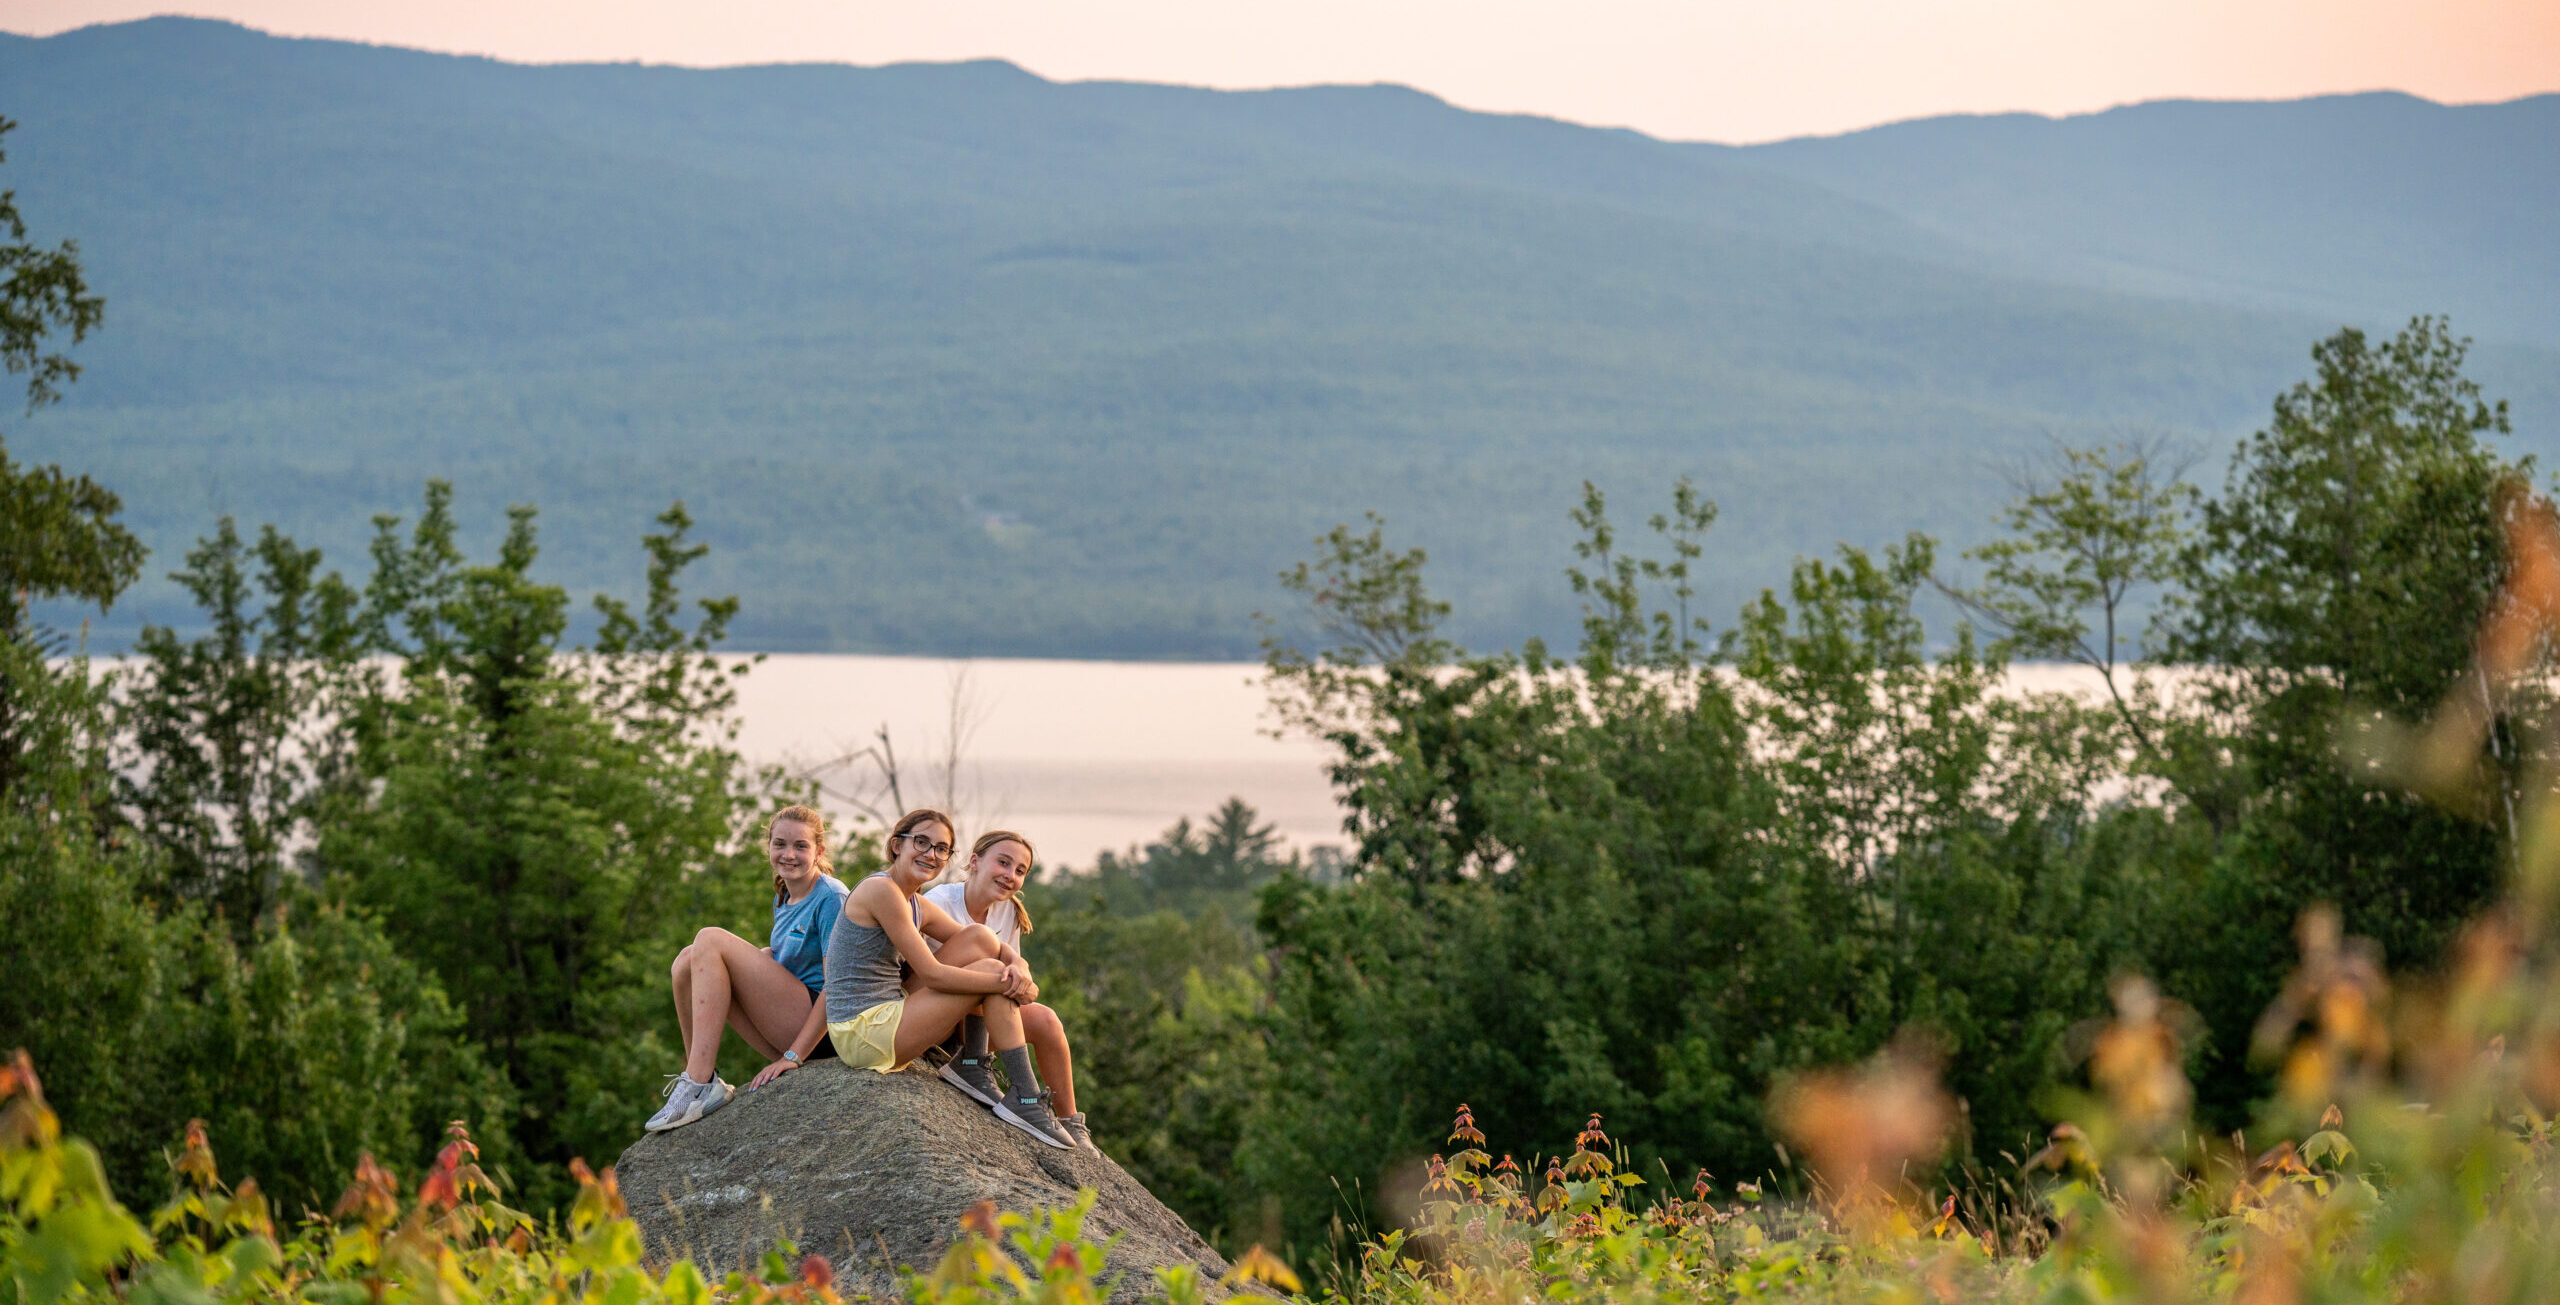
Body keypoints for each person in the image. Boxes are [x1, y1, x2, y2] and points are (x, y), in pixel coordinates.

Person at [818, 808, 1074, 1149]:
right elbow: (932, 975)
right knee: (991, 973)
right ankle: (1025, 1097)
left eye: (941, 848)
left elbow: (989, 945)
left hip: (889, 1014)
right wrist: (1003, 982)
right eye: (921, 842)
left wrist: (1019, 971)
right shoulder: (881, 891)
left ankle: (974, 1065)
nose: (931, 854)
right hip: (863, 1032)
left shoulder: (915, 903)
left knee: (980, 939)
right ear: (896, 845)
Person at [648, 804, 849, 1132]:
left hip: (821, 1034)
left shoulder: (830, 897)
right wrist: (767, 956)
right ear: (768, 846)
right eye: (780, 844)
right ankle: (698, 1077)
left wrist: (794, 1056)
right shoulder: (783, 893)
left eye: (801, 846)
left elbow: (838, 986)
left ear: (819, 851)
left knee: (709, 938)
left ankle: (699, 1082)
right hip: (789, 1021)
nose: (789, 854)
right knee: (686, 961)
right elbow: (797, 959)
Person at [923, 831, 1092, 1150]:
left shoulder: (1009, 912)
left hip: (979, 1018)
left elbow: (1015, 983)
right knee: (985, 955)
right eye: (1003, 862)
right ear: (974, 862)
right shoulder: (940, 902)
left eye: (1020, 870)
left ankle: (1071, 1121)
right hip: (936, 1016)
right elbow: (918, 977)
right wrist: (1007, 978)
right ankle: (1002, 1082)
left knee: (1046, 1020)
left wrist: (1021, 980)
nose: (1010, 875)